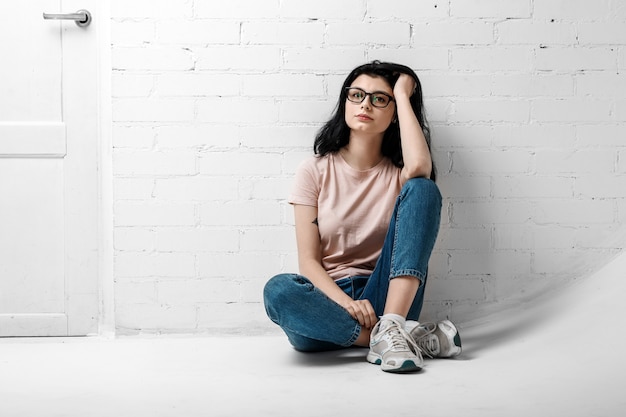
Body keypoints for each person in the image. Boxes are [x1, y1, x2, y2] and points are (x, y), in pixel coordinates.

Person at [263, 61, 461, 373]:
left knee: (423, 189)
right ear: (345, 102)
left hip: (386, 298)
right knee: (278, 290)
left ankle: (392, 326)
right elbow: (308, 262)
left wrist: (403, 94)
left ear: (394, 113)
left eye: (380, 98)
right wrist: (346, 305)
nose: (365, 104)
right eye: (356, 95)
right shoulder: (313, 171)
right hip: (326, 306)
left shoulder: (398, 176)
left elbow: (421, 168)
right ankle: (395, 337)